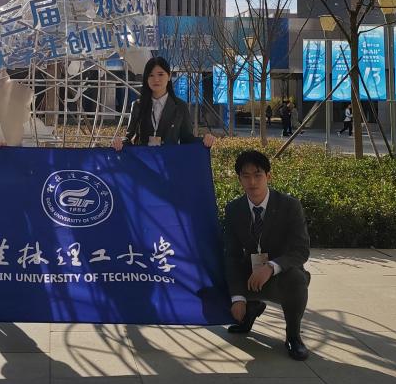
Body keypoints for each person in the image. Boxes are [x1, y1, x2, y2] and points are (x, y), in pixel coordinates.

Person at [224, 149, 311, 361]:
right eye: (246, 176)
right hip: (250, 273)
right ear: (239, 179)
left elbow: (301, 250)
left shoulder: (289, 206)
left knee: (297, 279)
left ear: (268, 176)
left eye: (258, 175)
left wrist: (271, 267)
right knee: (216, 277)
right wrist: (237, 297)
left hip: (281, 273)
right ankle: (250, 309)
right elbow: (232, 255)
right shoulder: (234, 209)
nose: (252, 182)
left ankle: (293, 336)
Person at [112, 56, 215, 150]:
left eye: (160, 74)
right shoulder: (138, 106)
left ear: (169, 76)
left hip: (169, 161)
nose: (156, 79)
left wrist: (204, 140)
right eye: (151, 75)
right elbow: (129, 137)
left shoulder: (180, 106)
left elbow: (187, 139)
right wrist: (120, 142)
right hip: (144, 162)